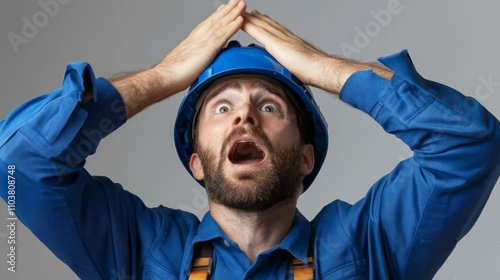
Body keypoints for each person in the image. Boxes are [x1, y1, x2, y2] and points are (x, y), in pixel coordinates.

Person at [1, 0, 499, 279]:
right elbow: (20, 163)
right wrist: (165, 76)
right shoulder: (140, 252)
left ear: (306, 157)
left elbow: (470, 145)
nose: (244, 116)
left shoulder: (369, 246)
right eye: (222, 107)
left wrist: (326, 68)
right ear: (196, 161)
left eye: (269, 106)